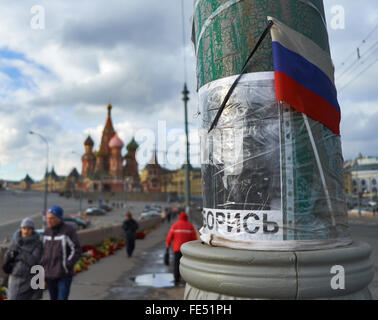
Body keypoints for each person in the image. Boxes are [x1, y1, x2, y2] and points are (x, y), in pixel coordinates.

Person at [41, 206, 81, 300]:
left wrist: (66, 265)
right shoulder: (47, 232)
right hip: (50, 274)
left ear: (59, 218)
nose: (49, 220)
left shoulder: (68, 230)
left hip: (63, 274)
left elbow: (76, 250)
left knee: (62, 298)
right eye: (47, 218)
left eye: (52, 218)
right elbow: (42, 251)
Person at [2, 218, 43, 300]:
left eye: (29, 229)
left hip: (31, 279)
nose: (26, 231)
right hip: (15, 278)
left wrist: (19, 254)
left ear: (32, 230)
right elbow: (8, 256)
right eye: (24, 228)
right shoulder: (15, 242)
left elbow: (34, 261)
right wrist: (10, 257)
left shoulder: (37, 244)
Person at [166, 211, 198, 285]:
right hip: (186, 250)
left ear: (179, 217)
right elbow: (193, 238)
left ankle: (176, 279)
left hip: (177, 249)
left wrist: (168, 245)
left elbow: (169, 237)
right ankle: (187, 279)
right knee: (187, 265)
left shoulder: (175, 225)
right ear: (186, 217)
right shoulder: (190, 226)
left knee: (176, 264)